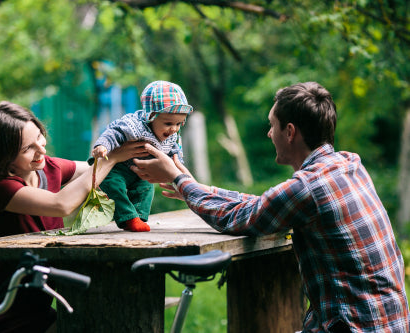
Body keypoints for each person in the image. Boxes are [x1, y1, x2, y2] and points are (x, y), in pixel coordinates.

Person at [131, 82, 410, 332]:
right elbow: (263, 204)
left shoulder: (306, 188)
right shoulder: (350, 164)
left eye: (272, 125)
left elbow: (237, 218)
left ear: (289, 132)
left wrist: (177, 179)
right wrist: (195, 188)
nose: (268, 133)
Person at [0, 101, 147, 333]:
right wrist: (112, 158)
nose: (42, 150)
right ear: (2, 154)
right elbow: (62, 204)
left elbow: (96, 173)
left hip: (37, 301)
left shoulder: (47, 168)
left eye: (40, 136)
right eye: (27, 148)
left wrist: (141, 164)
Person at [91, 80, 193, 232]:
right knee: (113, 185)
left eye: (179, 124)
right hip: (118, 168)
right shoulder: (134, 126)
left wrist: (181, 177)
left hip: (141, 173)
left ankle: (139, 218)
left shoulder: (173, 136)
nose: (174, 129)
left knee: (146, 189)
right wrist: (102, 146)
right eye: (168, 123)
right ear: (151, 116)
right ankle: (128, 217)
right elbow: (113, 133)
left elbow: (176, 158)